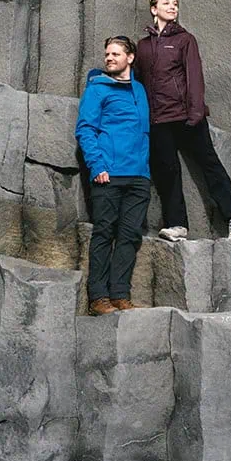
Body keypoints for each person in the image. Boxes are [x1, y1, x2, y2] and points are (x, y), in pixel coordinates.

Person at [133, 0, 231, 244]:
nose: (172, 7)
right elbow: (139, 83)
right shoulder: (142, 47)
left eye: (175, 3)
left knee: (209, 165)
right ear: (154, 9)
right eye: (166, 3)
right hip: (158, 119)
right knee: (167, 172)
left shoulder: (185, 40)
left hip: (186, 115)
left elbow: (194, 75)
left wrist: (195, 112)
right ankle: (177, 224)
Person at [75, 35, 151, 315]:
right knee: (105, 233)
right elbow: (85, 129)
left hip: (139, 176)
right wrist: (97, 166)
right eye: (107, 54)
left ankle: (120, 294)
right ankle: (98, 297)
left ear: (130, 57)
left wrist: (146, 172)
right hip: (108, 174)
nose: (109, 58)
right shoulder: (97, 89)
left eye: (116, 54)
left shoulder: (140, 90)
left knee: (130, 235)